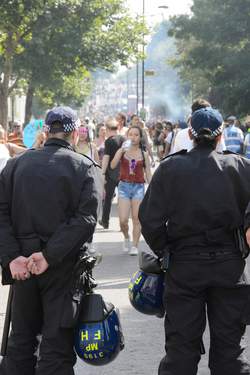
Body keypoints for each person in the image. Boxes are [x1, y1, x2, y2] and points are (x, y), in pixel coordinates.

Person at [139, 107, 250, 375]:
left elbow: (150, 219)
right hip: (229, 265)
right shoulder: (241, 167)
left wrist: (166, 250)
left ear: (190, 134)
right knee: (229, 350)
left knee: (180, 349)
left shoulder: (170, 168)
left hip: (184, 265)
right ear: (220, 134)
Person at [0, 106, 98, 375]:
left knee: (20, 343)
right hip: (61, 268)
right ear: (75, 133)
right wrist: (48, 256)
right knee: (56, 347)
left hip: (23, 265)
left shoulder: (16, 164)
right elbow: (86, 220)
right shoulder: (83, 167)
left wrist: (13, 258)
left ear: (45, 131)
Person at [111, 126, 152, 255]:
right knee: (123, 220)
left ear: (140, 138)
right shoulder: (122, 151)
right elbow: (112, 165)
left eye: (136, 135)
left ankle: (134, 245)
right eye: (131, 134)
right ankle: (126, 237)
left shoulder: (144, 154)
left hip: (138, 187)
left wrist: (153, 189)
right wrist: (119, 151)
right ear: (127, 136)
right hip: (124, 187)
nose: (133, 137)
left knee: (136, 218)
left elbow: (149, 174)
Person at [99, 118, 126, 229]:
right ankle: (122, 223)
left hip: (111, 173)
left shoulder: (109, 141)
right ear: (117, 128)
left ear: (108, 129)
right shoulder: (124, 139)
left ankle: (105, 221)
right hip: (123, 173)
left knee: (108, 199)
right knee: (123, 199)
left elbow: (106, 158)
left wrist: (103, 173)